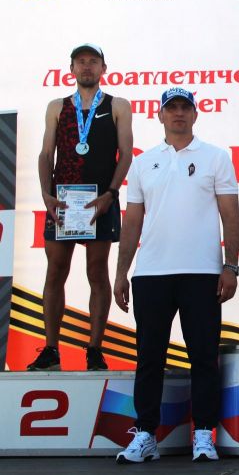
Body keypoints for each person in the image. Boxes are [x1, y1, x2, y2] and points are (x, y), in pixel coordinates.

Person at [113, 87, 239, 463]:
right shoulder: (143, 163)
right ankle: (146, 435)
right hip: (151, 273)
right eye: (172, 108)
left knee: (202, 356)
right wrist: (121, 273)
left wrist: (230, 266)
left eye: (186, 107)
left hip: (202, 272)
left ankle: (203, 434)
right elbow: (132, 222)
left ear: (195, 115)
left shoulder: (216, 157)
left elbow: (230, 215)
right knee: (149, 357)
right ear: (161, 116)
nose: (179, 113)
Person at [28, 43, 133, 371]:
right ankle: (50, 349)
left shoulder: (118, 105)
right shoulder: (57, 106)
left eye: (93, 61)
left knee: (97, 272)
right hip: (62, 201)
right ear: (71, 69)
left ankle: (95, 350)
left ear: (104, 68)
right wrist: (46, 195)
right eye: (81, 62)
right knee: (55, 270)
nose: (87, 66)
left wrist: (111, 194)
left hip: (99, 200)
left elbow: (126, 154)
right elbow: (46, 154)